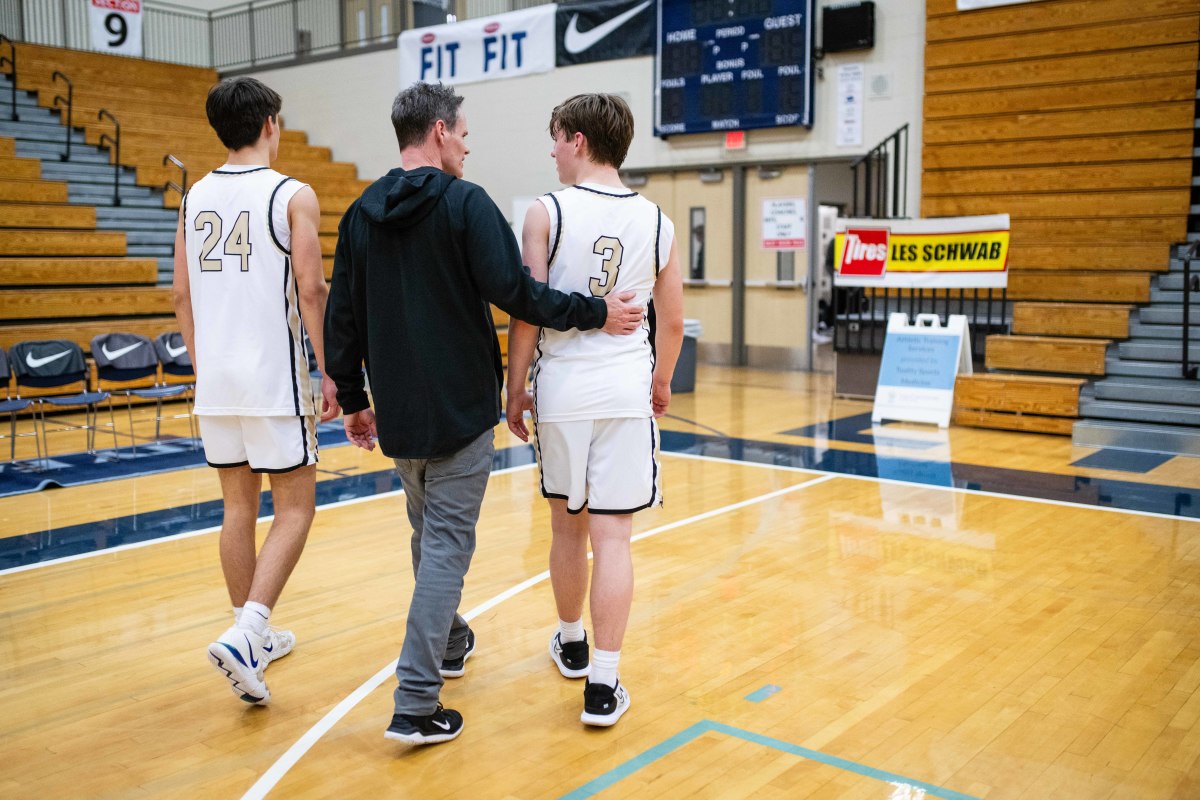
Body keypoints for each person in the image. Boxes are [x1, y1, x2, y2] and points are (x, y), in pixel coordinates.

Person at [322, 82, 645, 746]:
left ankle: (451, 639)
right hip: (462, 411)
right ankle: (415, 702)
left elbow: (342, 314)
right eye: (464, 133)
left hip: (400, 415)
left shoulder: (359, 213)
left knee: (425, 535)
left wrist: (354, 399)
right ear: (439, 132)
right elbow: (517, 293)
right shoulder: (465, 204)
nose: (468, 145)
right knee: (443, 548)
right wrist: (595, 312)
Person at [505, 94, 684, 727]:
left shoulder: (543, 212)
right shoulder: (658, 219)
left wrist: (514, 385)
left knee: (566, 529)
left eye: (555, 137)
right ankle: (603, 686)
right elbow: (674, 319)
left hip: (563, 391)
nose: (551, 150)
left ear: (577, 140)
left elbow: (528, 308)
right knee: (614, 538)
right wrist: (660, 381)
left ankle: (572, 641)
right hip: (624, 390)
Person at [172, 77, 339, 706]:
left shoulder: (193, 198)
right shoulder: (293, 194)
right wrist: (331, 372)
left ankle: (251, 642)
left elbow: (180, 295)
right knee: (295, 507)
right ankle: (249, 633)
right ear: (271, 122)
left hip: (216, 379)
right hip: (273, 377)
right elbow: (311, 289)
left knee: (237, 510)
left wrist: (201, 366)